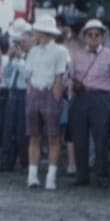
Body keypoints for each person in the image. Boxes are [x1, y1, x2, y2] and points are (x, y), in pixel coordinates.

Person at [68, 19, 110, 188]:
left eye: (97, 35)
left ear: (103, 37)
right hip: (81, 98)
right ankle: (82, 175)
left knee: (101, 139)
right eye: (90, 34)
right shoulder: (77, 56)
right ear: (84, 37)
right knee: (80, 139)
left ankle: (102, 175)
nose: (93, 38)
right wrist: (72, 97)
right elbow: (71, 78)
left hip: (101, 98)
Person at [25, 14, 70, 190]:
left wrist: (55, 96)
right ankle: (32, 176)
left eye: (37, 31)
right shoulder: (33, 51)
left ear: (44, 32)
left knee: (53, 137)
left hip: (50, 94)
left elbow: (60, 76)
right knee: (34, 136)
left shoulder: (60, 51)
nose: (35, 33)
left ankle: (50, 178)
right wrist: (30, 94)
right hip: (34, 93)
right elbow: (29, 76)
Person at [0, 27, 33, 173]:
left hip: (25, 93)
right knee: (8, 129)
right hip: (12, 93)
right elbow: (5, 75)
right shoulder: (17, 57)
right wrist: (11, 59)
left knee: (22, 129)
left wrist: (19, 60)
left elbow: (27, 76)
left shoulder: (32, 56)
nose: (20, 44)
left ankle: (25, 162)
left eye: (23, 41)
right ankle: (6, 162)